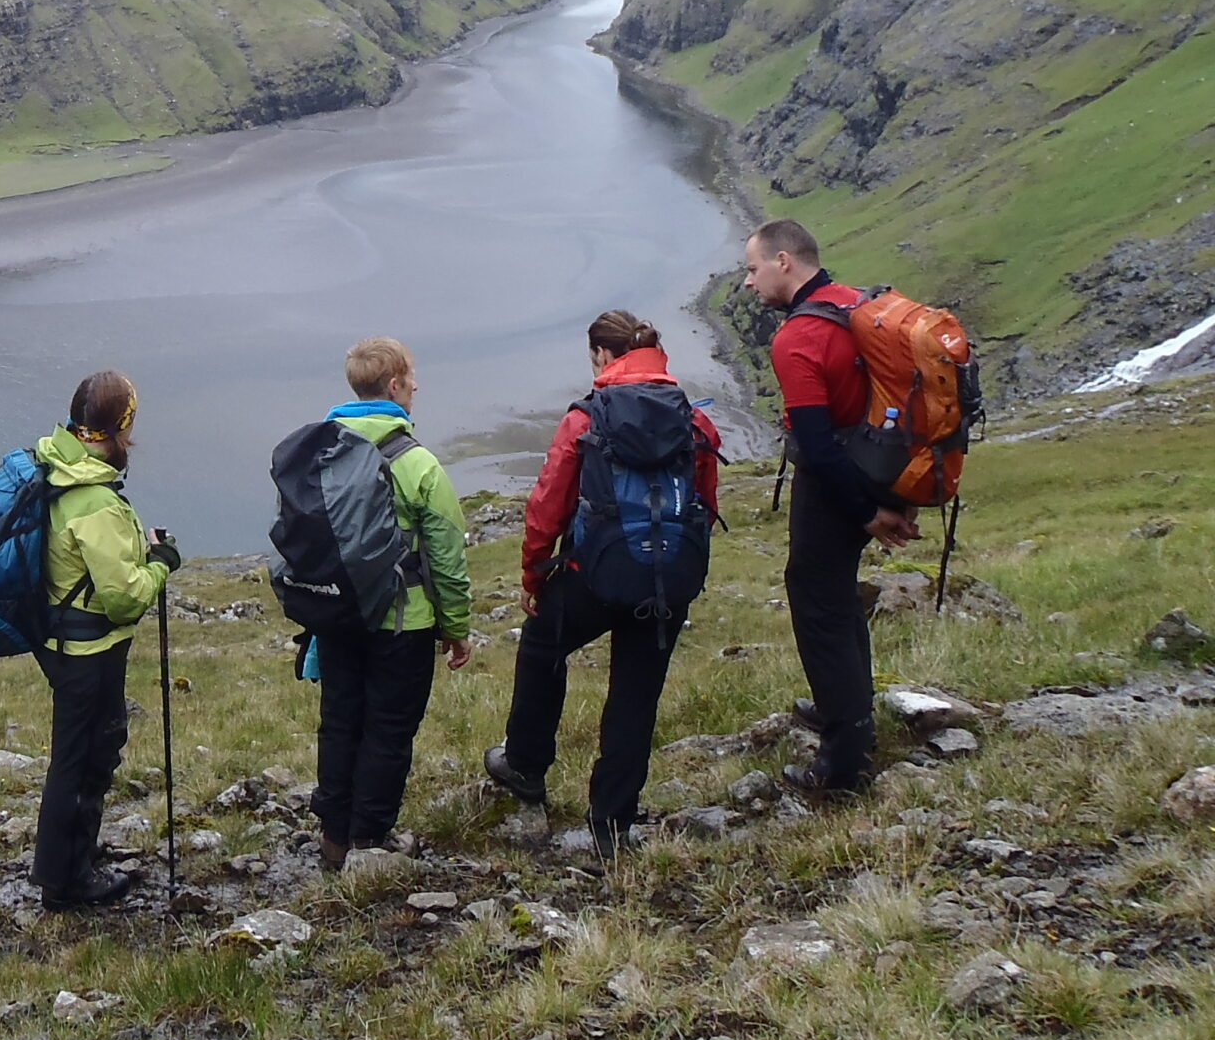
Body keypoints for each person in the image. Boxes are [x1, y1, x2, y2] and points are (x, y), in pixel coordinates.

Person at [484, 311, 723, 854]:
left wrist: (534, 571)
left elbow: (548, 504)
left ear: (600, 356)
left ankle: (525, 765)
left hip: (592, 576)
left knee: (544, 646)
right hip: (665, 579)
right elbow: (705, 506)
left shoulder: (586, 418)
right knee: (637, 692)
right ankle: (612, 824)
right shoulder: (694, 420)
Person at [744, 218, 916, 796]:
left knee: (819, 601)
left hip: (835, 485)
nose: (749, 283)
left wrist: (865, 513)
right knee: (835, 593)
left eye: (753, 269)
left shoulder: (796, 338)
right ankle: (847, 707)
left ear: (784, 261)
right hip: (874, 468)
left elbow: (815, 444)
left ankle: (843, 758)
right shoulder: (856, 304)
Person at [309, 337, 474, 870]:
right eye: (411, 377)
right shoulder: (419, 464)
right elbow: (446, 556)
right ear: (393, 386)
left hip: (336, 616)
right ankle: (370, 838)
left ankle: (334, 836)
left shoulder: (321, 452)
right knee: (388, 728)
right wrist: (456, 627)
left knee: (340, 721)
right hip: (404, 623)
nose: (417, 386)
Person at [30, 369, 181, 911]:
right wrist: (161, 563)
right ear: (120, 426)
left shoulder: (59, 465)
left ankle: (73, 860)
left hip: (61, 640)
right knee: (84, 756)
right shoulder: (93, 499)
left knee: (84, 751)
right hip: (89, 650)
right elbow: (123, 598)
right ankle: (66, 880)